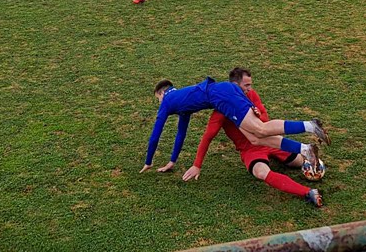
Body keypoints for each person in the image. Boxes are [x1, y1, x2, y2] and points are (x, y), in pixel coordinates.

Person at [181, 68, 323, 208]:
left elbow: (265, 119)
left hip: (270, 141)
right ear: (235, 86)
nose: (250, 89)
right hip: (250, 150)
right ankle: (308, 192)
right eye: (246, 85)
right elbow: (207, 137)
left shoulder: (251, 95)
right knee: (261, 172)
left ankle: (309, 153)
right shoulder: (220, 111)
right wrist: (197, 165)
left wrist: (256, 115)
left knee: (299, 162)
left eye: (250, 85)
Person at [141, 76, 329, 175]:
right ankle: (305, 149)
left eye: (157, 99)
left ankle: (311, 126)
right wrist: (172, 162)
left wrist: (148, 162)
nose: (159, 103)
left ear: (162, 93)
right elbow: (181, 134)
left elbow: (155, 137)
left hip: (221, 96)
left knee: (260, 129)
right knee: (255, 138)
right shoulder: (181, 103)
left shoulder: (167, 101)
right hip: (223, 93)